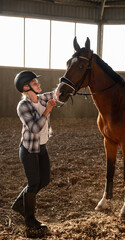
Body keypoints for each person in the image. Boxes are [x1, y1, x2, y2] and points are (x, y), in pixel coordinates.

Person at [12, 70, 57, 229]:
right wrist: (47, 111)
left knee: (44, 180)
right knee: (33, 183)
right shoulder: (23, 106)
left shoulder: (42, 98)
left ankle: (19, 204)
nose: (38, 84)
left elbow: (57, 93)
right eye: (34, 83)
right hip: (29, 150)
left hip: (42, 147)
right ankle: (30, 220)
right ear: (26, 88)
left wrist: (69, 80)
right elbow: (35, 128)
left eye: (37, 82)